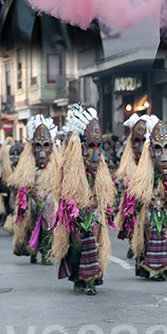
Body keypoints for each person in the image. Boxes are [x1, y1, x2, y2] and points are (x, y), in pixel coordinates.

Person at [52, 105, 116, 294]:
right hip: (77, 213)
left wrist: (105, 205)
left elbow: (104, 190)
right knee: (77, 246)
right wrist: (74, 209)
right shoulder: (70, 167)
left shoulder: (100, 167)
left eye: (98, 146)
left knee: (94, 244)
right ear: (82, 146)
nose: (95, 151)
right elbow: (65, 192)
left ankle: (92, 280)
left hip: (94, 212)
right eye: (90, 146)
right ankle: (78, 278)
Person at [125, 120, 167, 280]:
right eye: (157, 148)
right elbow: (138, 194)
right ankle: (149, 267)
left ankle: (165, 267)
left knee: (166, 236)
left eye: (166, 147)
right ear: (151, 151)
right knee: (149, 236)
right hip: (149, 208)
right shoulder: (143, 174)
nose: (162, 155)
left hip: (166, 209)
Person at [9, 114, 59, 264]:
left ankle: (46, 253)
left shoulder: (56, 166)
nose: (42, 150)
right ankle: (32, 250)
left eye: (46, 145)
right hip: (33, 198)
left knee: (48, 223)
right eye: (38, 145)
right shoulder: (28, 166)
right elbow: (21, 184)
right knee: (30, 223)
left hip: (48, 198)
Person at [115, 114, 157, 251]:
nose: (140, 145)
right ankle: (134, 240)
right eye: (136, 140)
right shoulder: (129, 159)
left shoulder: (154, 154)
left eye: (143, 140)